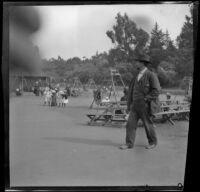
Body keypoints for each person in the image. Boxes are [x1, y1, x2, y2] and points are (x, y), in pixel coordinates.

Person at [119, 52, 161, 150]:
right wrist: (129, 106)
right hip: (134, 106)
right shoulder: (136, 76)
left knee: (148, 125)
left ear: (142, 63)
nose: (135, 63)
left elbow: (157, 90)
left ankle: (153, 142)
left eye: (137, 62)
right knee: (130, 124)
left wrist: (146, 98)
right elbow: (131, 91)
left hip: (145, 106)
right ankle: (129, 144)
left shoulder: (151, 75)